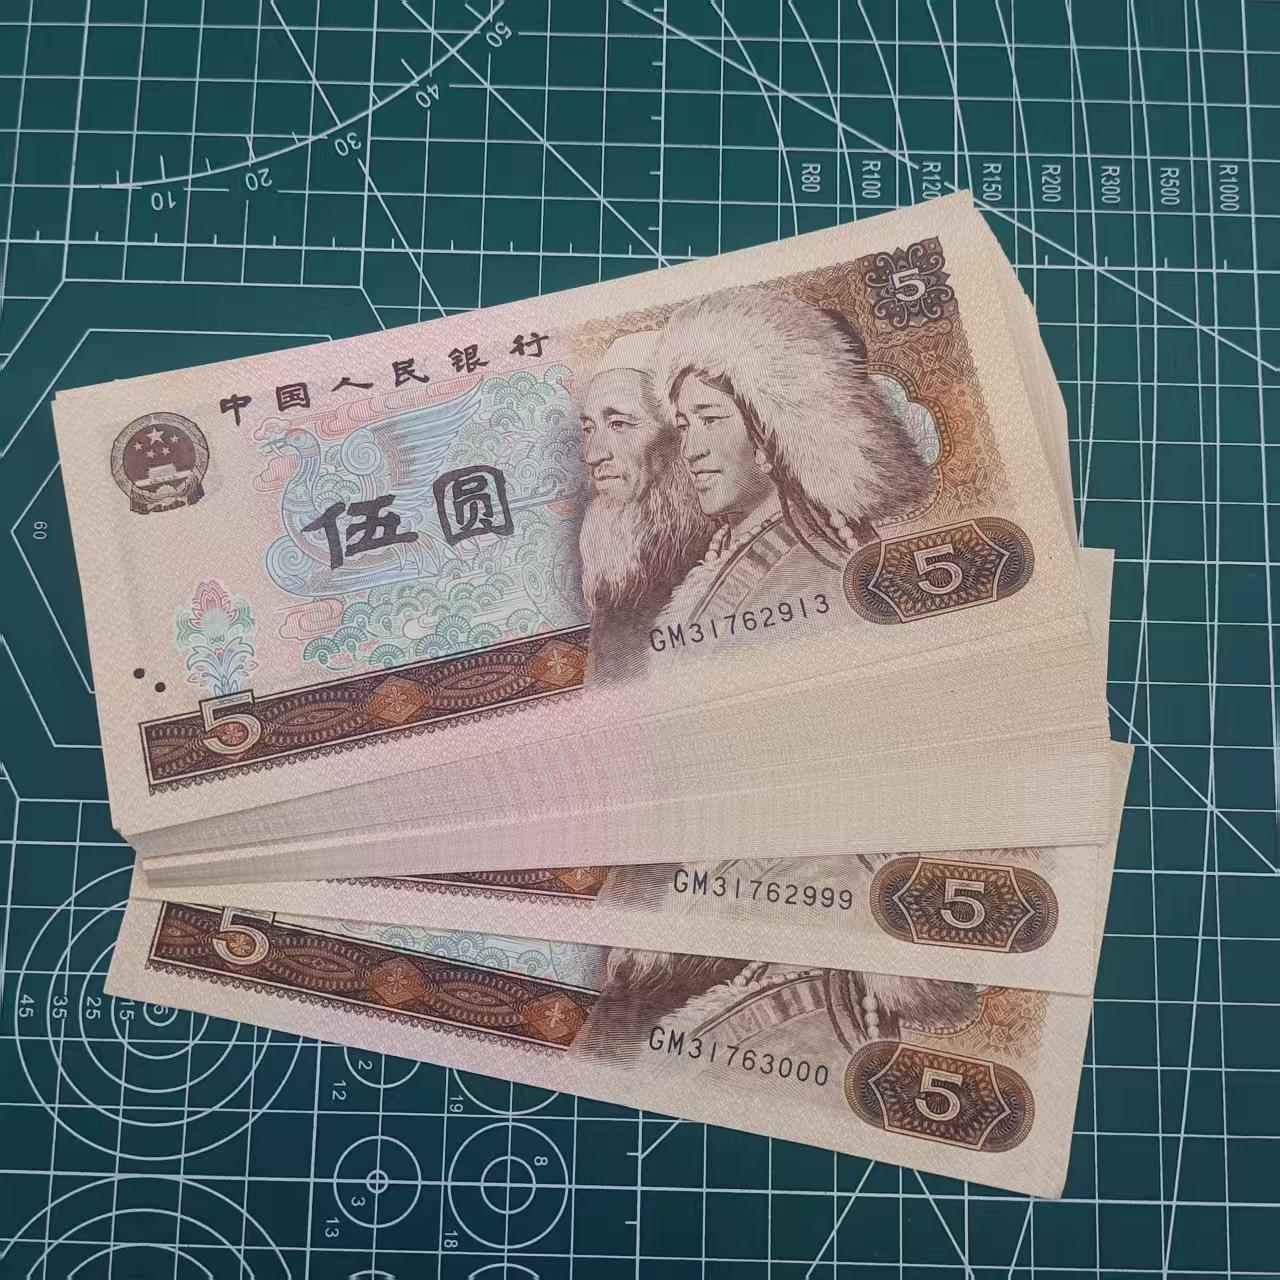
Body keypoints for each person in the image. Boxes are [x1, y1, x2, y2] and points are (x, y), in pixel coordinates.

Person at [652, 285, 934, 631]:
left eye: (710, 420)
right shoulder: (727, 548)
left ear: (769, 436)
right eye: (683, 426)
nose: (690, 450)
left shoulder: (814, 571)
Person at [576, 330, 713, 679]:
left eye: (619, 424)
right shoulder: (618, 569)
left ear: (677, 435)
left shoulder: (721, 556)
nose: (594, 455)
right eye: (589, 428)